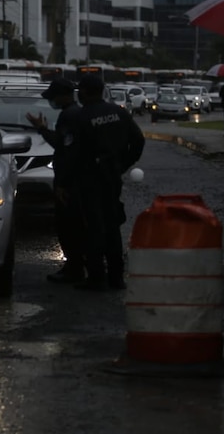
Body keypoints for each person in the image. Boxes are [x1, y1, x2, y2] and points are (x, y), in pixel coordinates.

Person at [72, 74, 146, 292]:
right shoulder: (118, 112)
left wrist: (67, 181)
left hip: (90, 179)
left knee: (93, 227)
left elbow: (74, 152)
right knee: (112, 226)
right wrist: (122, 165)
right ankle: (116, 276)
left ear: (84, 92)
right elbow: (138, 141)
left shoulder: (81, 116)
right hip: (112, 178)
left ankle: (96, 277)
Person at [26, 77, 85, 284]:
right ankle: (76, 266)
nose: (51, 101)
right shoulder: (75, 113)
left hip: (70, 183)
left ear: (62, 96)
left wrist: (62, 185)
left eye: (53, 97)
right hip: (77, 181)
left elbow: (64, 148)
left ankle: (74, 268)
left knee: (68, 227)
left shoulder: (69, 116)